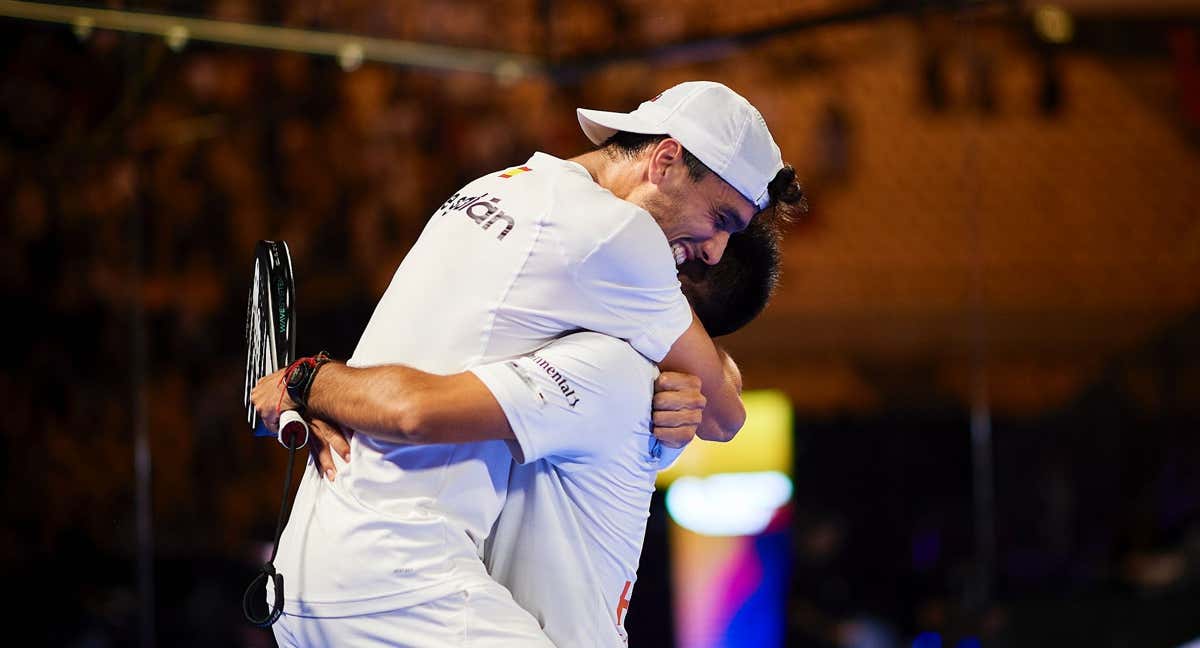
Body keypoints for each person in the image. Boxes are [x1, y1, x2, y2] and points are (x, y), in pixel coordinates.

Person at [253, 80, 805, 644]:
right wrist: (308, 378)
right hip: (399, 575)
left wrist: (311, 383)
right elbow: (724, 415)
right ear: (665, 159)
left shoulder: (496, 187)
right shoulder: (620, 237)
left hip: (312, 566)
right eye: (721, 219)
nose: (715, 250)